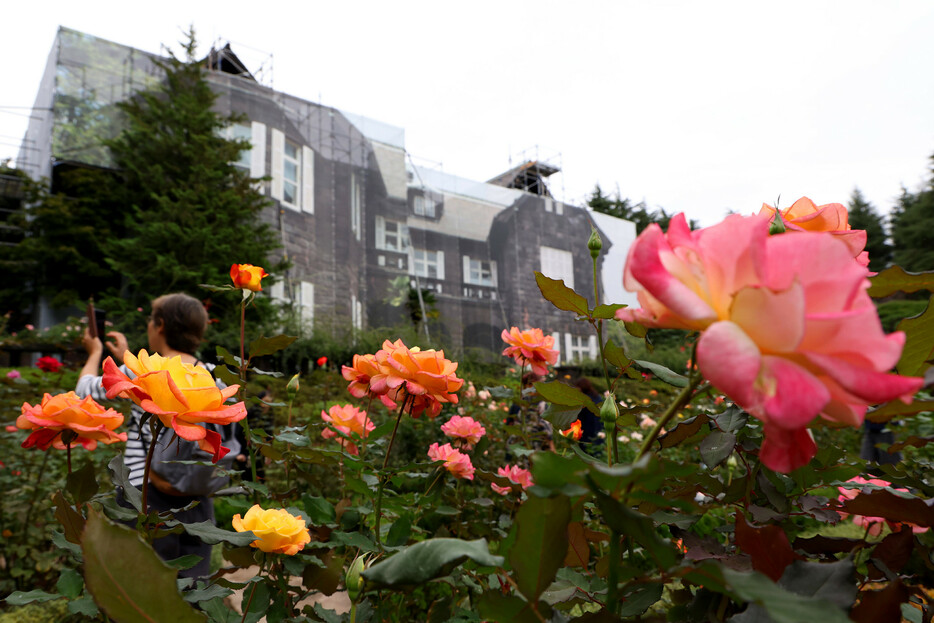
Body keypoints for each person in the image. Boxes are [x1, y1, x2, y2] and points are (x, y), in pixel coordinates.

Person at [75, 293, 237, 579]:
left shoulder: (147, 373)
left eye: (151, 320)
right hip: (197, 503)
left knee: (141, 592)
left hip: (143, 496)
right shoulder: (212, 378)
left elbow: (84, 391)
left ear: (159, 325)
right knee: (190, 592)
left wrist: (94, 352)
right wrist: (126, 353)